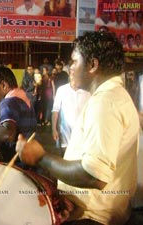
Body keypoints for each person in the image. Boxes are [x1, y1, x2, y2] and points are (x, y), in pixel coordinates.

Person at [16, 31, 140, 225]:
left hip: (93, 218)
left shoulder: (105, 102)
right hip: (88, 210)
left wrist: (41, 157)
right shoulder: (113, 96)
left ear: (92, 65)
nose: (69, 67)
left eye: (74, 61)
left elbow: (93, 176)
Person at [51, 76, 91, 155]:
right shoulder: (61, 90)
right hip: (65, 130)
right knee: (66, 154)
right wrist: (54, 129)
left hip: (82, 131)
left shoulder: (87, 92)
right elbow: (55, 110)